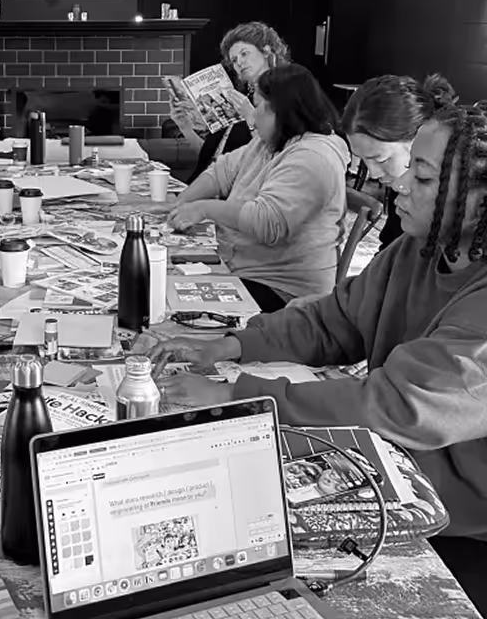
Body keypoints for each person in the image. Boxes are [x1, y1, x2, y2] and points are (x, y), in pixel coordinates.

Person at [146, 102, 487, 615]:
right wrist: (232, 345)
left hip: (457, 525)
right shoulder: (415, 250)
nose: (397, 185)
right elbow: (334, 320)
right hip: (386, 468)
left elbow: (393, 406)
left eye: (421, 176)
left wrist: (239, 397)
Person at [169, 63, 349, 310]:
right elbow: (222, 172)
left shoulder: (313, 156)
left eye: (257, 105)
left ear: (280, 110)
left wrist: (203, 209)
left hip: (283, 291)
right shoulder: (270, 140)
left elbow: (268, 222)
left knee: (170, 299)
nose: (251, 116)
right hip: (242, 267)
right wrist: (182, 202)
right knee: (163, 276)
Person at [343, 73, 457, 250]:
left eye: (381, 159)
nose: (373, 173)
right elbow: (390, 250)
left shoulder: (451, 202)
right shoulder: (402, 187)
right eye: (364, 160)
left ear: (418, 139)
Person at [172, 22, 292, 182]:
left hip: (238, 192)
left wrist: (251, 117)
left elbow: (274, 157)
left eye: (244, 54)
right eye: (234, 60)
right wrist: (185, 127)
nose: (239, 63)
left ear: (266, 51)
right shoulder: (239, 96)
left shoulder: (287, 93)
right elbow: (213, 156)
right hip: (205, 183)